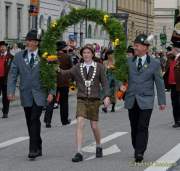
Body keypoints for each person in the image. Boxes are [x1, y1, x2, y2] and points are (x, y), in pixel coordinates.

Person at [58, 45, 110, 162]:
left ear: (92, 54)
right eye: (84, 53)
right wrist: (56, 69)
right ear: (82, 55)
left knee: (94, 126)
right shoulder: (78, 67)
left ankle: (98, 145)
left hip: (94, 99)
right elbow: (65, 73)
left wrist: (106, 96)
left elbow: (105, 84)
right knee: (80, 123)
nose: (86, 55)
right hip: (81, 99)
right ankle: (79, 152)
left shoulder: (100, 67)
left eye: (88, 52)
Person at [7, 30, 54, 159]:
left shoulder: (45, 56)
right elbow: (12, 75)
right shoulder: (18, 57)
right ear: (27, 41)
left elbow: (51, 75)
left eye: (37, 41)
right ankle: (38, 143)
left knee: (34, 118)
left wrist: (51, 92)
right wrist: (10, 91)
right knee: (30, 121)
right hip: (25, 93)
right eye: (32, 41)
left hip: (40, 93)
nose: (35, 43)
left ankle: (32, 149)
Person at [121, 34, 166, 163]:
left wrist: (161, 102)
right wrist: (121, 86)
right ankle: (136, 147)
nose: (134, 47)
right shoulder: (129, 61)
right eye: (134, 45)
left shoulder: (155, 63)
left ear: (145, 48)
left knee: (143, 126)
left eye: (137, 45)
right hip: (131, 99)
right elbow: (122, 78)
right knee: (134, 126)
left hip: (146, 100)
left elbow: (159, 83)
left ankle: (140, 151)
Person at [44, 41, 72, 127]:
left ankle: (48, 121)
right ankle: (64, 120)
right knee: (64, 102)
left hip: (53, 82)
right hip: (64, 82)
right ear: (63, 48)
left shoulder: (52, 57)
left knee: (51, 101)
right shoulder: (67, 57)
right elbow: (71, 69)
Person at [163, 26, 180, 128]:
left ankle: (179, 120)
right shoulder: (171, 58)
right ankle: (176, 121)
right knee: (174, 103)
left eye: (174, 48)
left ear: (177, 49)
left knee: (179, 103)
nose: (172, 49)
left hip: (179, 85)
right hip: (173, 85)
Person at [0, 41, 13, 118]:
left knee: (5, 96)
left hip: (6, 79)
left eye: (3, 46)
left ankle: (5, 112)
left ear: (6, 47)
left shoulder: (11, 57)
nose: (2, 48)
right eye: (0, 47)